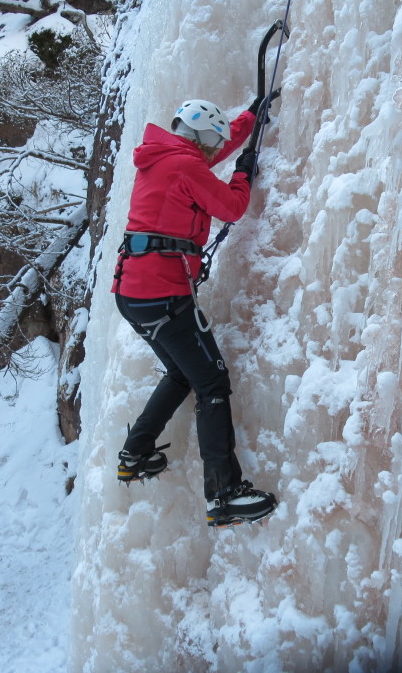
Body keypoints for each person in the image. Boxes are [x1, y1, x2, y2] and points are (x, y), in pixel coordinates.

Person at [110, 95, 278, 528]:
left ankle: (136, 452)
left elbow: (211, 154)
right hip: (162, 297)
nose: (211, 152)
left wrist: (247, 120)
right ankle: (223, 493)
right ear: (200, 137)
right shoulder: (187, 166)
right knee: (212, 382)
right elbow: (232, 208)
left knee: (182, 373)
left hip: (132, 293)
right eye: (210, 143)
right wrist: (243, 174)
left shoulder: (164, 158)